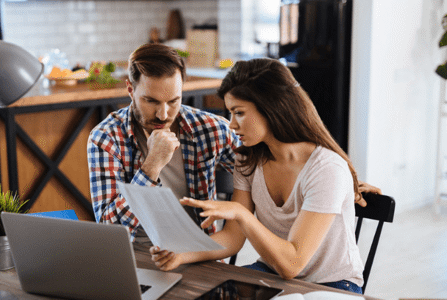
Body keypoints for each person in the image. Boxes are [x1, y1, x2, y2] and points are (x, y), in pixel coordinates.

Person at [150, 58, 379, 294]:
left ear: (272, 107)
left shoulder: (327, 169)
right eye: (230, 113)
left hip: (333, 286)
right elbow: (232, 238)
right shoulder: (248, 159)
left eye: (239, 113)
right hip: (270, 273)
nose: (231, 125)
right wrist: (181, 254)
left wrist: (241, 215)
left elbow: (292, 264)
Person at [87, 43, 240, 242]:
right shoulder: (106, 138)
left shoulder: (211, 129)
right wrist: (151, 166)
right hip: (136, 257)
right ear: (130, 90)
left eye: (173, 101)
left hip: (199, 255)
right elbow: (110, 231)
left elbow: (261, 176)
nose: (163, 114)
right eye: (151, 101)